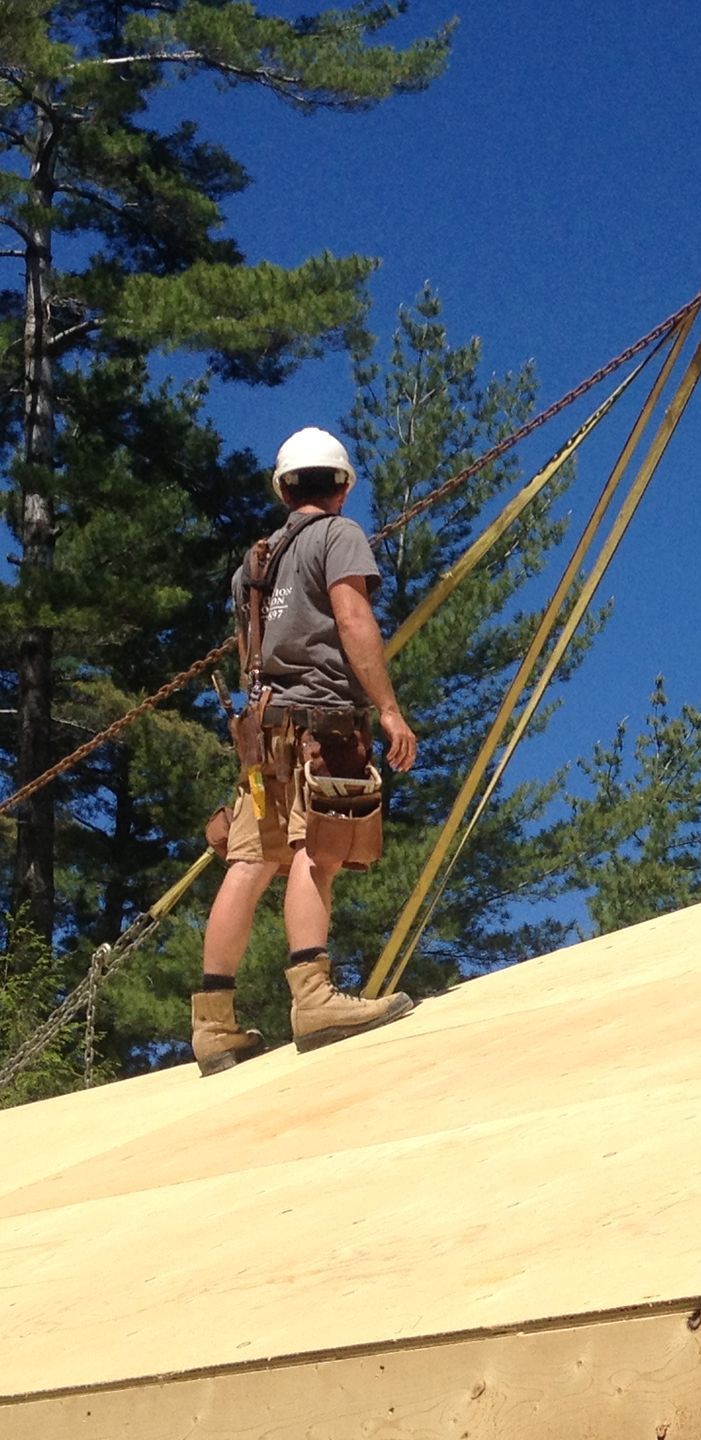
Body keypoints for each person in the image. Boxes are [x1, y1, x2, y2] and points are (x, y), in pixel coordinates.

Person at [191, 427, 420, 1076]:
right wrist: (389, 709)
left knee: (249, 860)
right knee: (314, 853)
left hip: (263, 734)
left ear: (285, 488)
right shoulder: (339, 535)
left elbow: (248, 650)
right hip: (320, 724)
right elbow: (352, 619)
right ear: (343, 487)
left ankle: (213, 1026)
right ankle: (314, 1000)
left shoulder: (254, 562)